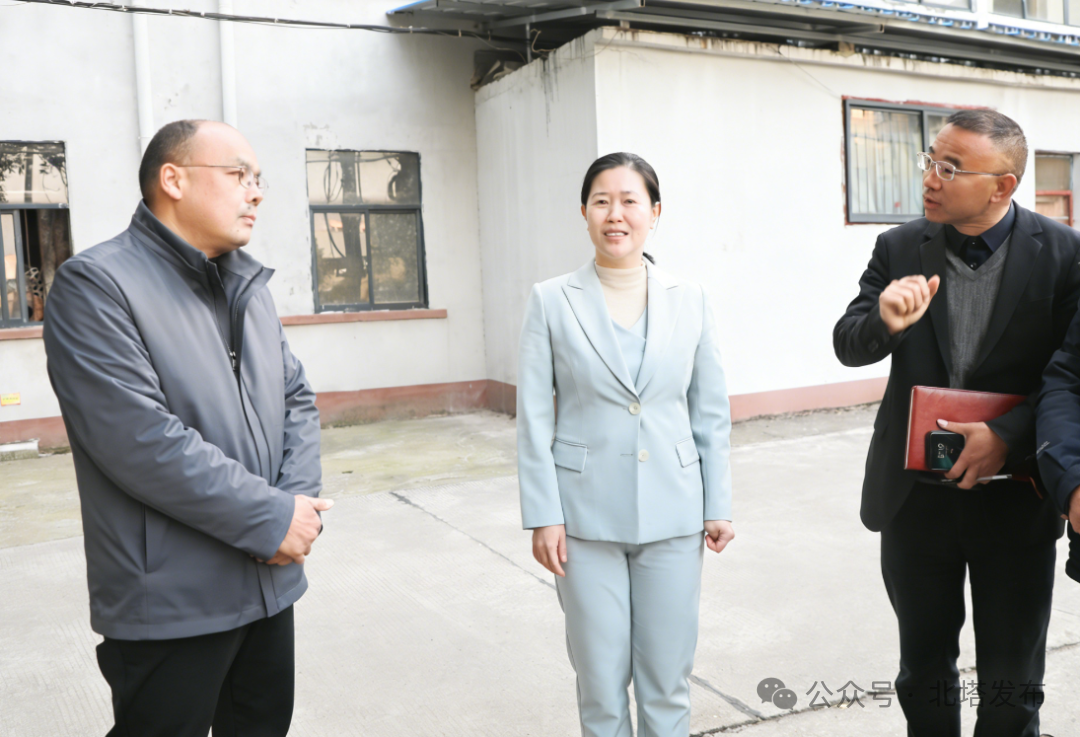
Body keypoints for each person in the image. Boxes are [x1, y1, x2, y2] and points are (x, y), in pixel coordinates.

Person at [42, 119, 331, 737]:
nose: (256, 191)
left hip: (269, 583)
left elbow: (296, 399)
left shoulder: (248, 286)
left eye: (259, 179)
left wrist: (295, 506)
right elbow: (139, 440)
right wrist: (271, 519)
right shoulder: (97, 285)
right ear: (173, 180)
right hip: (174, 600)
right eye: (239, 174)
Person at [834, 109, 1080, 737]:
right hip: (916, 500)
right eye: (930, 161)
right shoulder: (899, 247)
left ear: (1002, 185)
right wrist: (885, 321)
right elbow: (849, 343)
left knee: (1012, 682)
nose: (930, 178)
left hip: (1015, 499)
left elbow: (1070, 376)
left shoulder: (1064, 255)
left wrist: (1008, 436)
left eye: (950, 168)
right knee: (922, 671)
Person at [516, 152, 735, 737]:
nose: (616, 214)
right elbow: (533, 417)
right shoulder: (551, 300)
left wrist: (718, 503)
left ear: (654, 212)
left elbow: (710, 411)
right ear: (584, 212)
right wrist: (543, 514)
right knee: (600, 684)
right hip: (583, 521)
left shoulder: (690, 298)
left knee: (667, 684)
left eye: (630, 201)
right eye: (601, 201)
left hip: (675, 513)